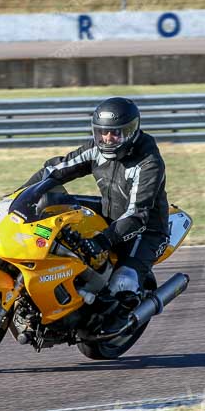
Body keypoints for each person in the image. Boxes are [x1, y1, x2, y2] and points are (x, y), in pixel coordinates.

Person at [21, 97, 169, 318]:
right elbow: (55, 170)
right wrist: (20, 195)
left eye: (115, 133)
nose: (107, 138)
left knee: (123, 282)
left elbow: (137, 213)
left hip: (146, 230)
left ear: (130, 132)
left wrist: (103, 240)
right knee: (55, 205)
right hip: (109, 215)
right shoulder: (95, 149)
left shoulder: (148, 163)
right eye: (102, 132)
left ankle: (120, 321)